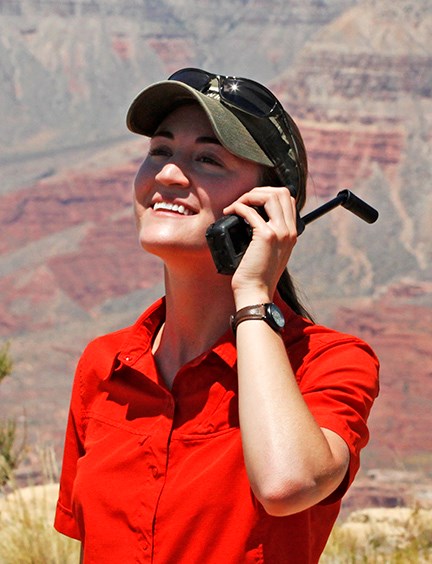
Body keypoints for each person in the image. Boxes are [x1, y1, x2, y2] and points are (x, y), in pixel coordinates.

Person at [54, 68, 379, 563]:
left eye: (207, 159)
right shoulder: (105, 365)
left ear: (269, 207)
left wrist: (253, 293)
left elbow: (287, 482)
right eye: (159, 151)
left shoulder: (329, 363)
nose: (166, 174)